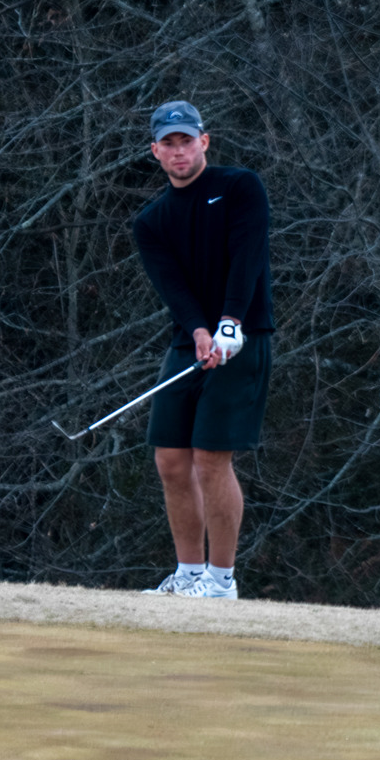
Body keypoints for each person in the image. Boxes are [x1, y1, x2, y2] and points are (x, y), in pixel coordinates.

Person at [132, 100, 274, 600]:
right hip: (190, 341)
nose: (178, 151)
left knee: (211, 458)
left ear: (204, 142)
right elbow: (173, 289)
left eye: (186, 141)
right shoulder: (151, 222)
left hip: (246, 333)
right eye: (168, 144)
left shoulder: (239, 187)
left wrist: (230, 322)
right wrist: (198, 330)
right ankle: (189, 573)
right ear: (155, 151)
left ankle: (220, 581)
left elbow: (247, 256)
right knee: (171, 459)